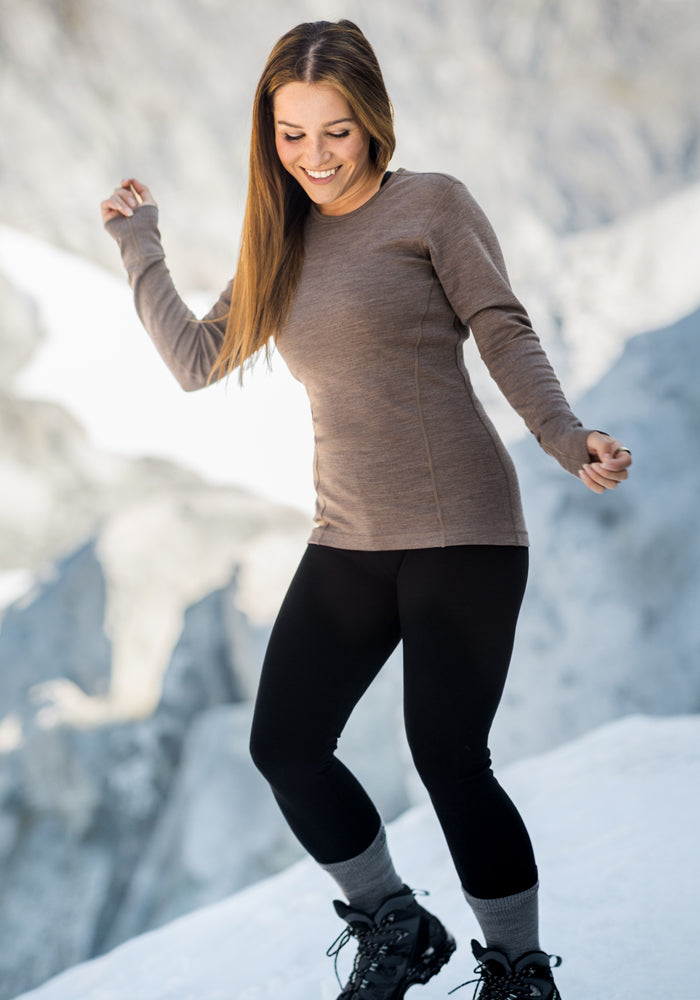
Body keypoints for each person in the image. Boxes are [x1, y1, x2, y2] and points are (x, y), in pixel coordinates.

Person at [101, 19, 631, 1000]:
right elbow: (197, 360)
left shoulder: (432, 205)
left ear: (374, 121)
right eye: (291, 134)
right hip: (349, 535)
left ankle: (519, 972)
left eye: (335, 131)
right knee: (285, 746)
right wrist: (141, 246)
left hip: (462, 529)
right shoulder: (283, 241)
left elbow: (502, 328)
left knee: (449, 758)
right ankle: (396, 924)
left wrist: (567, 435)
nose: (314, 155)